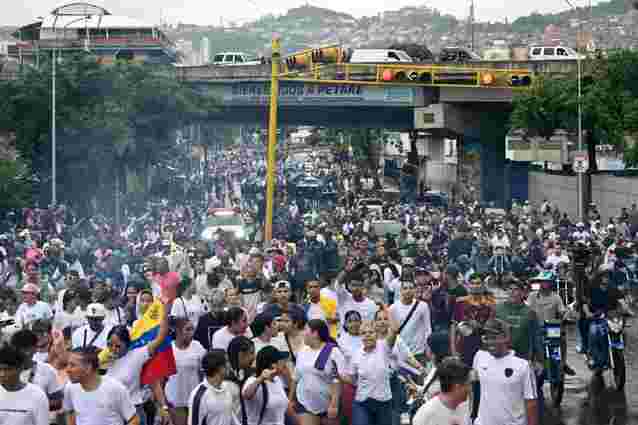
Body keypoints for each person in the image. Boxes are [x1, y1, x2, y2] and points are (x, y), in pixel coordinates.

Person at [102, 298, 170, 425]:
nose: (113, 349)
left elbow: (160, 337)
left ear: (127, 345)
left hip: (134, 412)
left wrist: (164, 311)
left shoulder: (136, 355)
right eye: (110, 345)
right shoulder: (103, 358)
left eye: (118, 346)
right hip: (110, 414)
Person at [473, 319, 538, 425]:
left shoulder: (523, 365)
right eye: (486, 338)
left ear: (506, 338)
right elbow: (473, 391)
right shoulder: (479, 357)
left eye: (494, 338)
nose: (489, 342)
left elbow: (531, 403)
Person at [64, 346, 139, 425]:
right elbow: (70, 412)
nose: (67, 370)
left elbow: (134, 419)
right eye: (67, 364)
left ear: (88, 368)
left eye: (72, 365)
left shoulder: (115, 388)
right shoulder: (70, 388)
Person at [291, 319, 347, 425]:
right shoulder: (302, 351)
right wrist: (290, 400)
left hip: (329, 404)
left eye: (306, 330)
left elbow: (338, 379)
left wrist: (334, 404)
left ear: (315, 333)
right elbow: (296, 377)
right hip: (304, 403)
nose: (303, 333)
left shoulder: (333, 351)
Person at [348, 318, 399, 425]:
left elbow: (394, 330)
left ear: (376, 334)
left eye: (370, 332)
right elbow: (353, 378)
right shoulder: (356, 354)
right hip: (362, 402)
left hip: (384, 401)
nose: (367, 335)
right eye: (363, 333)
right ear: (360, 337)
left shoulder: (384, 346)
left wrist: (384, 308)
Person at [10, 329, 64, 411]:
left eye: (26, 349)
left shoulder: (47, 370)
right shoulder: (4, 372)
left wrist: (33, 406)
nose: (22, 353)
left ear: (35, 349)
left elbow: (57, 402)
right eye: (18, 350)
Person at [166, 318, 206, 425]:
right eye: (187, 330)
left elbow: (204, 371)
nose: (191, 333)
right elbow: (162, 379)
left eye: (192, 329)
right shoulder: (169, 349)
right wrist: (164, 404)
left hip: (194, 400)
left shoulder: (197, 346)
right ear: (178, 331)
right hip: (175, 401)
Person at [0, 343, 49, 425]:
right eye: (0, 369)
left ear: (20, 368)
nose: (2, 374)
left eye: (7, 369)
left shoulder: (37, 395)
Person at [412, 357, 471, 425]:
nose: (469, 389)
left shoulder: (466, 407)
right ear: (457, 387)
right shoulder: (426, 414)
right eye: (467, 384)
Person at [242, 346, 291, 425]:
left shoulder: (277, 380)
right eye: (281, 360)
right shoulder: (252, 380)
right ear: (273, 365)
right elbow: (246, 395)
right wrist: (260, 379)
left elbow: (285, 406)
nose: (284, 362)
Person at [188, 349, 236, 425]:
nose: (229, 365)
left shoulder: (227, 387)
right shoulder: (199, 395)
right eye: (227, 362)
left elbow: (230, 415)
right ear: (218, 367)